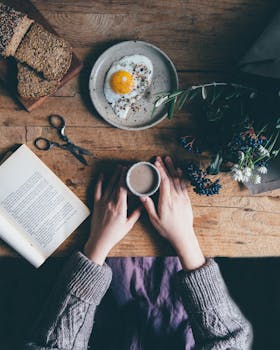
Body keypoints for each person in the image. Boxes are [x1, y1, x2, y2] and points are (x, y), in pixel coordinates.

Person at [23, 156, 253, 350]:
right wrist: (185, 237)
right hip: (185, 301)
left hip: (102, 301)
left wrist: (97, 244)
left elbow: (52, 345)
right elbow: (231, 341)